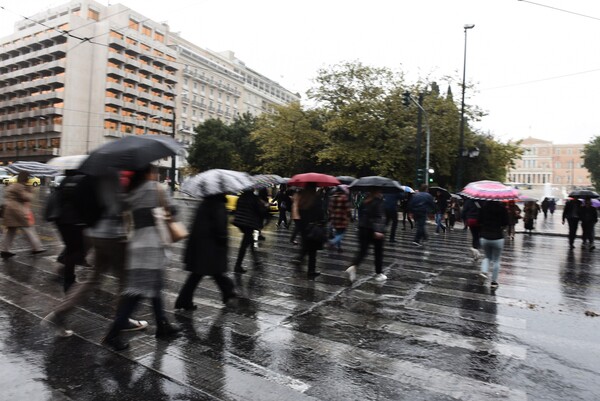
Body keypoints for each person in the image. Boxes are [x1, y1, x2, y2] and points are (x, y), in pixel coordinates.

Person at [42, 172, 148, 337]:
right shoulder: (113, 177)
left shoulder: (95, 176)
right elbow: (121, 206)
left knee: (93, 279)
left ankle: (58, 314)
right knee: (126, 280)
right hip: (114, 236)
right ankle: (122, 320)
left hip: (96, 233)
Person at [103, 165, 180, 350]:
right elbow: (174, 210)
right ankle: (113, 335)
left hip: (136, 245)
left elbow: (120, 210)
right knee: (135, 294)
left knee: (155, 286)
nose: (155, 174)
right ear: (148, 173)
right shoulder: (157, 188)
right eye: (153, 171)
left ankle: (163, 324)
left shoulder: (131, 192)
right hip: (152, 246)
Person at [175, 192, 236, 310]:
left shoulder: (205, 203)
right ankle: (229, 292)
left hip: (201, 246)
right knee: (213, 272)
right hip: (211, 247)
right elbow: (220, 227)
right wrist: (223, 239)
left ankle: (184, 301)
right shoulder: (218, 204)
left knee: (199, 274)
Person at [0, 171, 45, 259]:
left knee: (11, 231)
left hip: (9, 210)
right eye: (27, 177)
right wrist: (31, 190)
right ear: (25, 178)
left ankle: (5, 250)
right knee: (27, 227)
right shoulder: (20, 186)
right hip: (17, 210)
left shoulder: (12, 185)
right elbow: (26, 198)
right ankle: (37, 247)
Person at [346, 187, 386, 282]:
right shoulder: (378, 202)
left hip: (363, 228)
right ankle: (379, 273)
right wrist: (378, 230)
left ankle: (354, 266)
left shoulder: (365, 200)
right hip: (374, 230)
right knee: (378, 252)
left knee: (363, 251)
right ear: (378, 191)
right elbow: (379, 217)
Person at [294, 183, 326, 278]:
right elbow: (321, 213)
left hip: (304, 227)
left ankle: (301, 260)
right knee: (312, 251)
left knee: (306, 246)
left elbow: (299, 212)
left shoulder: (302, 198)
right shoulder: (316, 198)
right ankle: (311, 271)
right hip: (313, 227)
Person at [233, 189, 269, 273]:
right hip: (248, 223)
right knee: (244, 244)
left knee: (250, 240)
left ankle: (256, 260)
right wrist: (266, 206)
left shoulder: (241, 197)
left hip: (240, 222)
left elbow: (237, 209)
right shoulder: (253, 198)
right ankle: (238, 265)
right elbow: (260, 211)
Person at [478, 200, 509, 290]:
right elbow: (505, 223)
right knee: (496, 260)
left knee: (487, 257)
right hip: (498, 237)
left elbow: (479, 221)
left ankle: (484, 271)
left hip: (484, 237)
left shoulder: (483, 208)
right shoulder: (502, 208)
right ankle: (494, 282)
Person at [328, 186, 351, 252]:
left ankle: (339, 248)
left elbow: (330, 208)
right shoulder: (344, 197)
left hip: (334, 217)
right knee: (341, 233)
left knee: (337, 232)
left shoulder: (332, 197)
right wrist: (350, 217)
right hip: (342, 218)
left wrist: (330, 216)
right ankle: (333, 241)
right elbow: (348, 209)